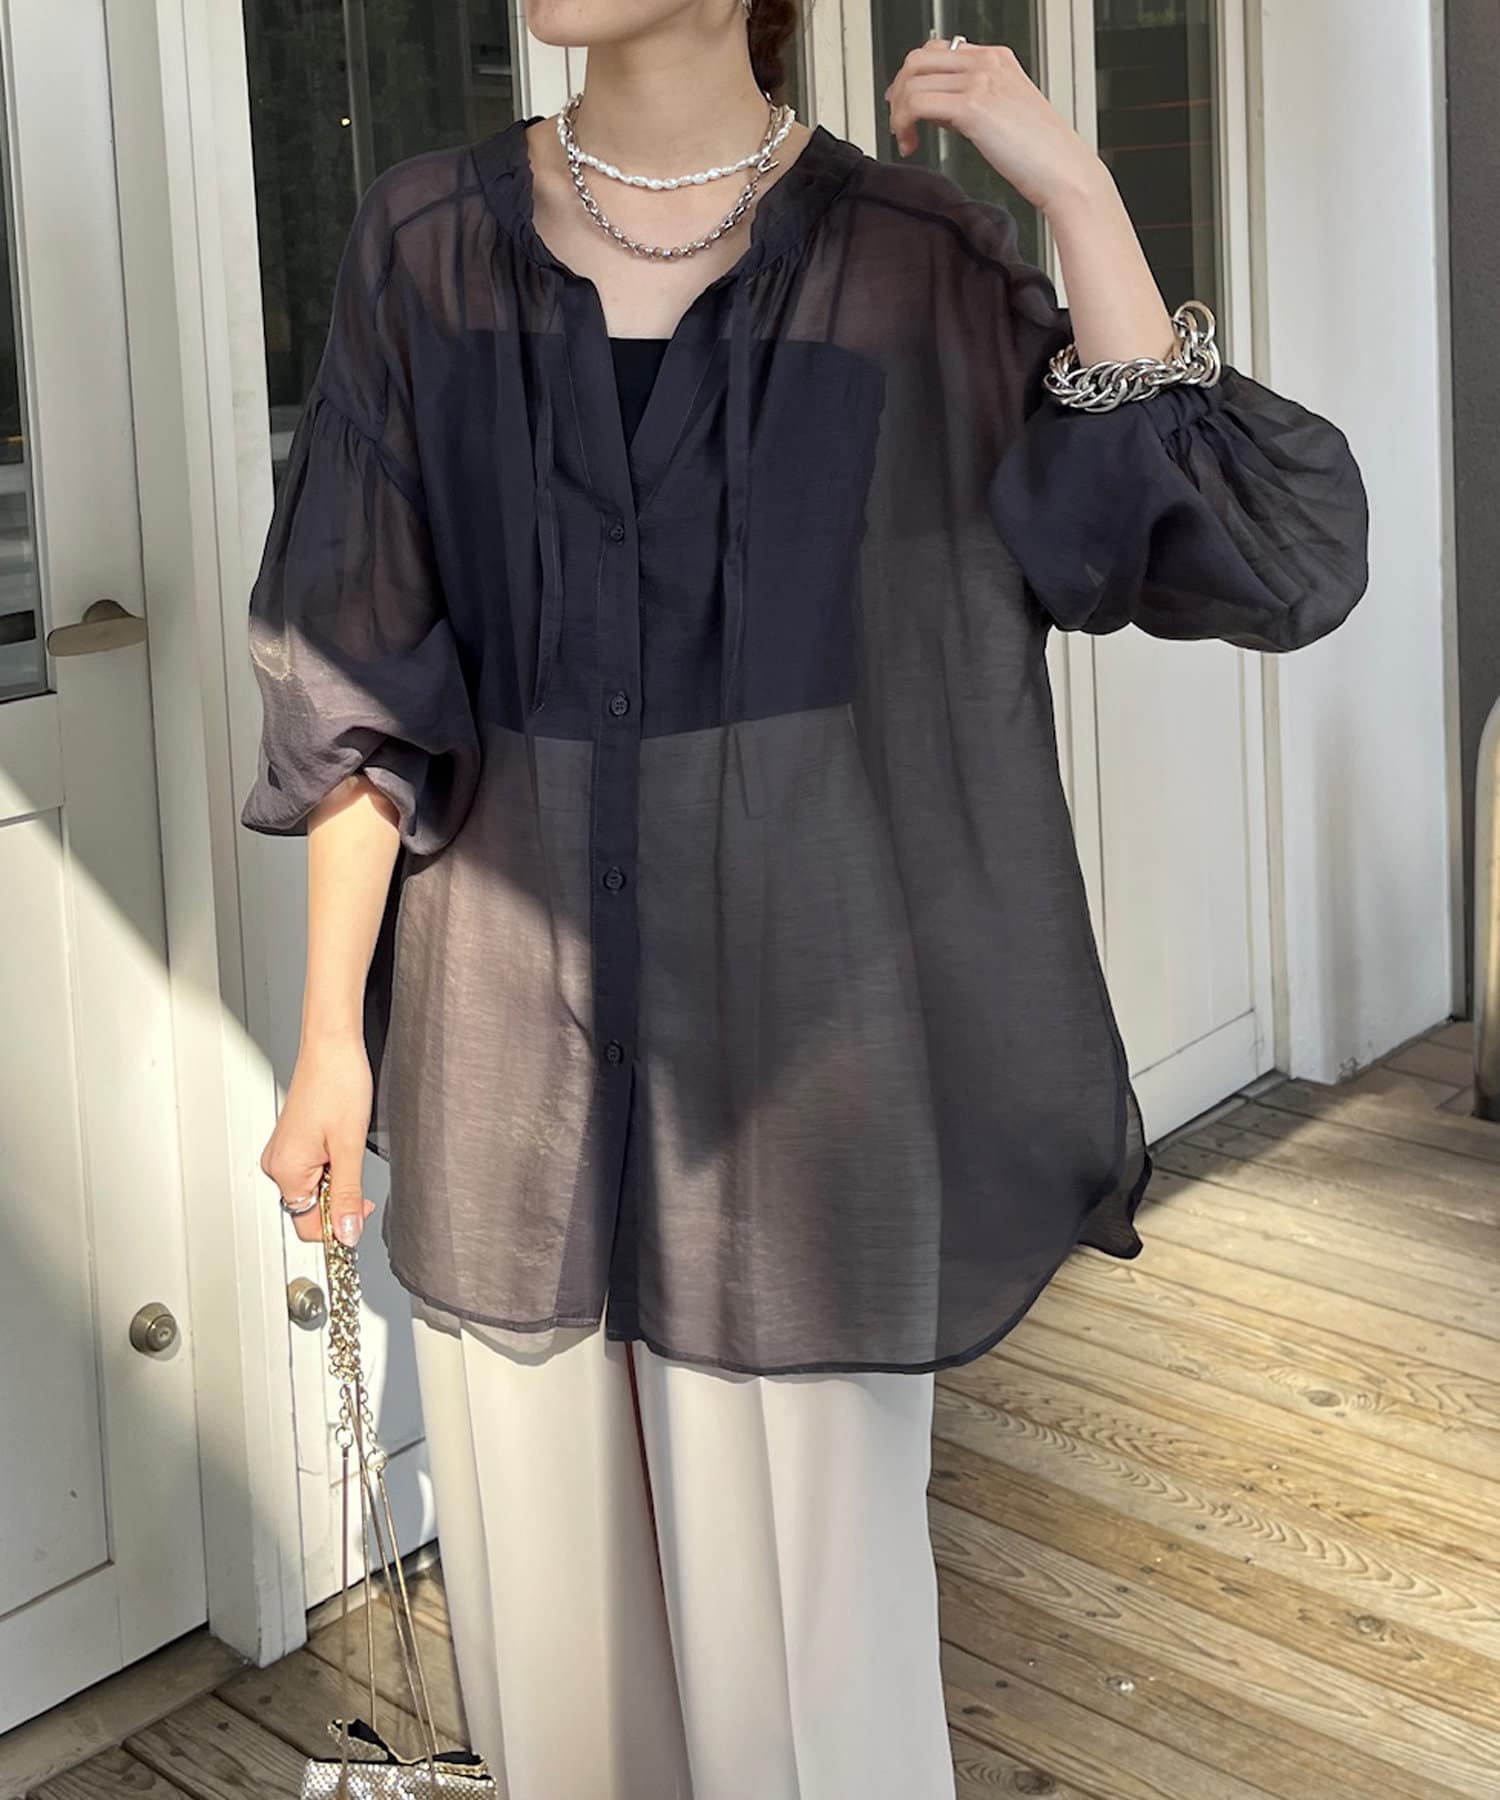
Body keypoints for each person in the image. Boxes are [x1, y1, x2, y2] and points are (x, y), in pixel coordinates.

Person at [239, 0, 1370, 1794]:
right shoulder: (423, 244)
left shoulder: (913, 260)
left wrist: (1080, 195)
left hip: (805, 1086)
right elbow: (359, 679)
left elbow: (1255, 556)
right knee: (557, 1663)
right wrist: (328, 1043)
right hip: (501, 1061)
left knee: (818, 1681)